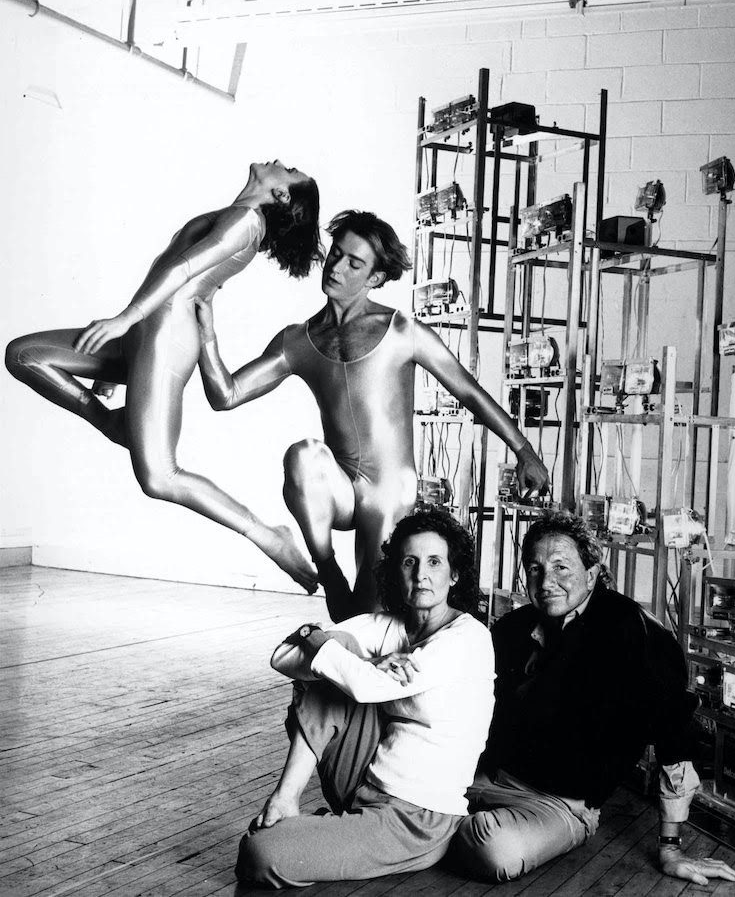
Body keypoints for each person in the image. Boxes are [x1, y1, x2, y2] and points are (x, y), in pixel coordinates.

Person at [195, 208, 549, 620]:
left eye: (354, 263)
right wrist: (207, 335)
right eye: (336, 255)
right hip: (340, 488)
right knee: (303, 455)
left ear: (375, 278)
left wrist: (523, 449)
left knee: (366, 619)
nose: (336, 268)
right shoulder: (298, 340)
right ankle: (327, 570)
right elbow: (226, 394)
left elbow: (468, 391)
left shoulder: (402, 332)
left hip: (389, 491)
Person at [5, 161, 322, 591]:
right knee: (24, 356)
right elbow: (180, 273)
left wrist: (123, 320)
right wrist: (123, 351)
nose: (276, 162)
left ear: (282, 195)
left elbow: (185, 274)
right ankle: (112, 422)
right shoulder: (236, 215)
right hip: (143, 332)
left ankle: (269, 536)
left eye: (287, 169)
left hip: (166, 337)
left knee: (158, 476)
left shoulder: (249, 220)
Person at [450, 512, 735, 888]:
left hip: (559, 803)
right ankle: (441, 823)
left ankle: (437, 827)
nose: (547, 582)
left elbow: (676, 736)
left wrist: (670, 848)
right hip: (486, 780)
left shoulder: (632, 631)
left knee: (496, 851)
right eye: (535, 568)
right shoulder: (512, 627)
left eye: (562, 567)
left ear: (591, 574)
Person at [234, 507, 495, 888]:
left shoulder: (469, 638)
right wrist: (352, 651)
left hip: (415, 816)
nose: (420, 574)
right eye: (410, 562)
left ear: (454, 574)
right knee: (334, 659)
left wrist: (337, 652)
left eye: (434, 562)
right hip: (362, 784)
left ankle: (326, 834)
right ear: (397, 572)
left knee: (259, 853)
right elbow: (282, 658)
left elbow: (368, 687)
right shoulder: (388, 625)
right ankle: (286, 798)